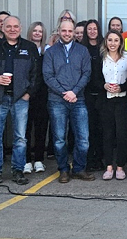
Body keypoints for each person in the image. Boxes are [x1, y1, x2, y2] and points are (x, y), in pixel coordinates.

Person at [0, 16, 41, 187]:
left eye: (15, 26)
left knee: (20, 138)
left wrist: (28, 93)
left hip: (21, 98)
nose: (12, 29)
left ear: (21, 28)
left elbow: (36, 74)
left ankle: (18, 171)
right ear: (2, 28)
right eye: (9, 27)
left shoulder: (29, 47)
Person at [43, 19, 94, 183]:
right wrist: (63, 92)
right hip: (57, 100)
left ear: (74, 33)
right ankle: (63, 169)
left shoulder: (82, 51)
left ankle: (79, 168)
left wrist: (74, 92)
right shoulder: (50, 52)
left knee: (83, 139)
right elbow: (48, 76)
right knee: (59, 139)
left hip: (78, 99)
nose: (67, 34)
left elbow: (86, 73)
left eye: (70, 31)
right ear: (59, 31)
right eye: (64, 31)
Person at [98, 30, 127, 181]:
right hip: (106, 101)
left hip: (122, 100)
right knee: (107, 134)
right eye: (110, 40)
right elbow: (95, 78)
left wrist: (121, 87)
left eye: (116, 40)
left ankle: (120, 166)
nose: (113, 43)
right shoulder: (101, 57)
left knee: (122, 135)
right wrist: (104, 85)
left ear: (121, 42)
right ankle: (108, 167)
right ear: (106, 42)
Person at [25, 22, 50, 173]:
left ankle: (39, 159)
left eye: (40, 31)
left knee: (41, 128)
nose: (37, 33)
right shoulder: (23, 49)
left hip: (43, 95)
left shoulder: (47, 50)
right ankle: (27, 160)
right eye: (34, 30)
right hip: (26, 95)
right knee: (25, 128)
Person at [82, 20, 106, 172]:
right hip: (86, 93)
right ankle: (90, 159)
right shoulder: (81, 48)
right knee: (89, 128)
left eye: (95, 29)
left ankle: (100, 159)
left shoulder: (104, 47)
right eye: (89, 29)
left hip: (103, 93)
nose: (92, 31)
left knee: (102, 128)